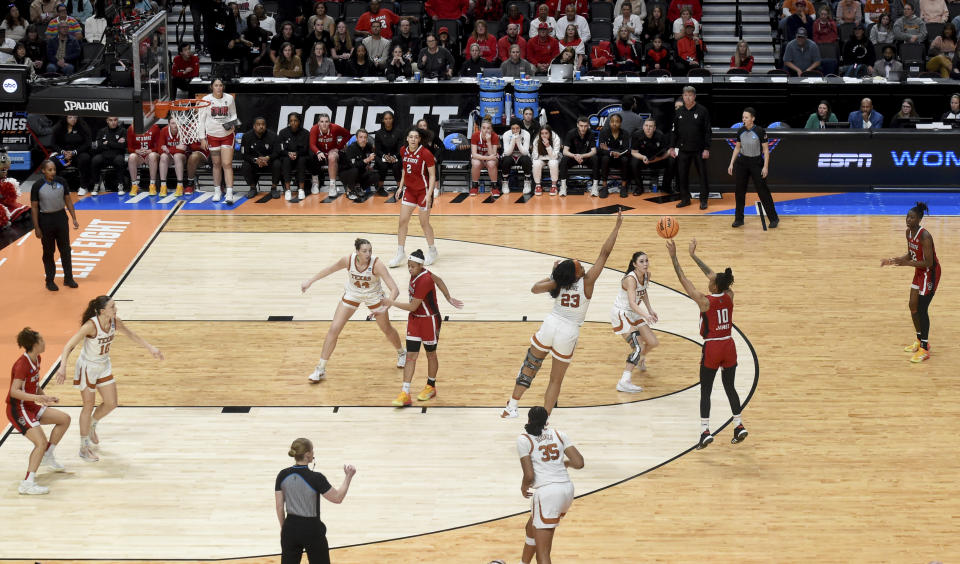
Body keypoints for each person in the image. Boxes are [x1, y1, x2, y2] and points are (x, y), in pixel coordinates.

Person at [502, 211, 622, 418]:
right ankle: (544, 422)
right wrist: (617, 227)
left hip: (550, 325)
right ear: (576, 274)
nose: (583, 265)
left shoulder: (558, 283)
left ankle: (512, 405)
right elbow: (604, 253)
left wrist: (552, 274)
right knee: (555, 380)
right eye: (579, 265)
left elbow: (534, 288)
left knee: (530, 365)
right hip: (568, 331)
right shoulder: (587, 281)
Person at [56, 296, 163, 462]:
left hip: (103, 365)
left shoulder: (115, 322)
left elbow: (132, 335)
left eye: (115, 306)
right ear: (102, 311)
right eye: (112, 307)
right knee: (88, 406)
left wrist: (151, 348)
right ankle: (84, 447)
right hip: (88, 367)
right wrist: (63, 367)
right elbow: (69, 346)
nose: (116, 309)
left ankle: (92, 424)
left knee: (111, 403)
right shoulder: (90, 326)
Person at [665, 238, 748, 449]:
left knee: (706, 390)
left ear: (714, 285)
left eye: (711, 281)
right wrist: (693, 255)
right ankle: (738, 425)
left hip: (713, 347)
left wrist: (674, 256)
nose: (708, 280)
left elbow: (683, 279)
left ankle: (705, 431)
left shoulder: (705, 301)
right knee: (730, 387)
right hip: (729, 345)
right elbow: (715, 277)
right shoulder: (729, 295)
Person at [301, 238, 405, 381]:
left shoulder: (377, 264)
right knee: (334, 329)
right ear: (357, 252)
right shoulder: (348, 260)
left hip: (373, 296)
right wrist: (310, 281)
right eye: (364, 251)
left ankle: (401, 352)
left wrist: (385, 307)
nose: (368, 254)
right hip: (353, 294)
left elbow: (395, 289)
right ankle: (320, 368)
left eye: (370, 250)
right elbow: (329, 270)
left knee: (386, 329)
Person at [384, 249, 463, 406]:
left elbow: (413, 306)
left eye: (413, 266)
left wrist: (391, 303)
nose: (410, 269)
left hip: (429, 320)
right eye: (409, 266)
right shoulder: (420, 273)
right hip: (415, 320)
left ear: (421, 265)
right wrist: (448, 297)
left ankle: (431, 386)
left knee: (431, 355)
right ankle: (405, 392)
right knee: (411, 356)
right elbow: (439, 280)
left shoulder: (424, 279)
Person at [6, 327, 71, 495]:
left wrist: (45, 397)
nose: (44, 342)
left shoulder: (37, 358)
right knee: (40, 443)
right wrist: (38, 398)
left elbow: (34, 385)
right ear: (34, 344)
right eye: (41, 340)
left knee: (64, 419)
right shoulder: (22, 364)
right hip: (18, 408)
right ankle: (27, 483)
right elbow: (14, 391)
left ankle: (48, 455)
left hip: (30, 405)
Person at [515, 406, 583, 564]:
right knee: (531, 526)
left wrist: (524, 487)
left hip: (548, 493)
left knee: (543, 553)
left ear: (529, 419)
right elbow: (579, 463)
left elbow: (529, 475)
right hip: (567, 490)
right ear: (547, 421)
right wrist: (565, 464)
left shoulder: (524, 439)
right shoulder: (559, 434)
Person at [276, 438, 356, 564]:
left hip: (290, 527)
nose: (313, 453)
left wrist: (284, 528)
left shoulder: (282, 475)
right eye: (312, 450)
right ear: (307, 454)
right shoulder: (316, 478)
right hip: (311, 529)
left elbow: (280, 507)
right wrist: (348, 477)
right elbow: (337, 498)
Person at [880, 202, 940, 363]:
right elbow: (910, 254)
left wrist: (907, 263)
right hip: (919, 271)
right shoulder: (908, 233)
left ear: (919, 219)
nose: (908, 220)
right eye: (907, 217)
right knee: (912, 306)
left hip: (930, 273)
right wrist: (892, 260)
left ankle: (925, 349)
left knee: (921, 309)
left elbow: (929, 263)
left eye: (912, 217)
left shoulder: (925, 236)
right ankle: (920, 341)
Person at [387, 129, 440, 268]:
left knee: (424, 223)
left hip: (424, 192)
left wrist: (429, 195)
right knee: (402, 222)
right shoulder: (403, 150)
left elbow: (433, 175)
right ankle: (400, 253)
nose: (413, 139)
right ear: (407, 138)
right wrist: (400, 187)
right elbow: (405, 169)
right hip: (410, 191)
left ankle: (433, 251)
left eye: (416, 137)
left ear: (419, 139)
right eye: (411, 137)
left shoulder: (426, 153)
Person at [609, 252, 658, 392]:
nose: (645, 264)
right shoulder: (630, 279)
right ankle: (624, 381)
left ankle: (640, 359)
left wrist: (650, 309)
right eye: (641, 261)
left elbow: (643, 292)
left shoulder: (647, 275)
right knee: (638, 347)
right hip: (622, 313)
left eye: (647, 261)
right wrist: (646, 315)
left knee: (653, 342)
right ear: (634, 264)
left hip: (634, 312)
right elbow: (631, 303)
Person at [30, 160, 79, 292]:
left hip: (61, 218)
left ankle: (68, 278)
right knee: (48, 252)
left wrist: (74, 218)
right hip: (46, 220)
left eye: (54, 170)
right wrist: (36, 227)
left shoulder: (62, 182)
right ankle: (50, 280)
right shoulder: (37, 186)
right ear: (43, 171)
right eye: (50, 170)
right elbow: (34, 208)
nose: (53, 172)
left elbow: (68, 200)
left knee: (66, 250)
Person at [727, 107, 779, 229]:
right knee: (739, 192)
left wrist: (765, 167)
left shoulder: (760, 131)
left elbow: (766, 151)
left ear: (752, 119)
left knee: (763, 191)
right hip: (742, 162)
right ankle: (739, 219)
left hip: (756, 162)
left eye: (746, 117)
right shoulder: (740, 131)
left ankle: (774, 218)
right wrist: (731, 163)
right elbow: (737, 148)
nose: (743, 119)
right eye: (743, 117)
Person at [198, 78, 240, 204]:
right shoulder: (205, 100)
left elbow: (234, 115)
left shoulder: (229, 98)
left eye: (221, 85)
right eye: (216, 85)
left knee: (227, 164)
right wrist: (202, 138)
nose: (218, 87)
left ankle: (229, 193)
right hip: (212, 136)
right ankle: (217, 191)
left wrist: (232, 124)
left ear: (223, 87)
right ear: (212, 87)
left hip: (227, 135)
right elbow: (201, 120)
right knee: (216, 164)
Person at [670, 86, 712, 209]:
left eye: (690, 95)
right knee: (682, 175)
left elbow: (707, 131)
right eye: (685, 95)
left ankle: (703, 200)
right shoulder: (679, 112)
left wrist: (707, 148)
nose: (687, 97)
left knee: (702, 176)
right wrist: (672, 147)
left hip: (699, 150)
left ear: (694, 96)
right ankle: (685, 199)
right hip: (683, 150)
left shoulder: (702, 110)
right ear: (682, 96)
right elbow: (674, 131)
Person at [240, 117, 282, 199]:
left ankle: (274, 188)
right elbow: (244, 155)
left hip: (269, 161)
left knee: (277, 163)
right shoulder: (246, 136)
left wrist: (267, 158)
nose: (261, 126)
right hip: (254, 162)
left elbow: (277, 152)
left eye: (263, 124)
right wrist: (255, 160)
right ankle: (252, 188)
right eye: (258, 124)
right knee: (245, 165)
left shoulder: (273, 136)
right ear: (254, 126)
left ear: (265, 126)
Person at [309, 113, 350, 196]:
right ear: (318, 123)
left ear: (329, 123)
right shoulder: (314, 129)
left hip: (332, 152)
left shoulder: (334, 128)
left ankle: (332, 186)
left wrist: (338, 148)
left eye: (326, 121)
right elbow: (312, 144)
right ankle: (315, 183)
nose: (324, 124)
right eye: (322, 121)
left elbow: (347, 135)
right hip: (320, 153)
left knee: (332, 156)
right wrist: (318, 152)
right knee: (312, 157)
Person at [631, 117, 674, 196]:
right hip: (643, 160)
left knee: (671, 160)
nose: (648, 128)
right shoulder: (637, 135)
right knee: (634, 162)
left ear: (654, 128)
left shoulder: (660, 135)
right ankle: (639, 188)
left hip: (656, 159)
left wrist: (657, 159)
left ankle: (666, 187)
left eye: (650, 126)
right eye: (646, 125)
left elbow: (667, 152)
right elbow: (634, 152)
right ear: (643, 126)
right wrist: (643, 157)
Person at [52, 115, 92, 195]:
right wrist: (63, 152)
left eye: (75, 117)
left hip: (78, 153)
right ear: (65, 118)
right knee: (52, 162)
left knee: (85, 158)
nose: (73, 119)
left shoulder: (82, 126)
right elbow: (53, 144)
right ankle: (56, 186)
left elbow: (87, 143)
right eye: (70, 117)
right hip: (63, 154)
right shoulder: (58, 127)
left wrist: (74, 152)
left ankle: (83, 187)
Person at [560, 116, 599, 197]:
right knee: (564, 159)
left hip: (585, 157)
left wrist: (582, 156)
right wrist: (574, 156)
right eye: (581, 126)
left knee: (595, 158)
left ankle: (595, 186)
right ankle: (563, 186)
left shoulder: (590, 133)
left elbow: (594, 151)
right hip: (573, 157)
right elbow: (565, 151)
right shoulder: (571, 133)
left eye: (585, 126)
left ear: (588, 125)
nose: (583, 128)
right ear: (577, 125)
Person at [90, 116, 128, 195]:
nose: (113, 122)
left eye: (115, 120)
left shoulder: (123, 131)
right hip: (104, 154)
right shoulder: (102, 131)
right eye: (111, 120)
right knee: (95, 160)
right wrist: (115, 143)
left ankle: (120, 185)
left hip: (117, 154)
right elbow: (99, 145)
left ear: (117, 120)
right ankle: (96, 184)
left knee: (120, 161)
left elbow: (123, 146)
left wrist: (108, 143)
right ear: (107, 121)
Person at [278, 112, 311, 202]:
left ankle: (301, 189)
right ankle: (288, 190)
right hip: (287, 156)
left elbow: (306, 149)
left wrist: (296, 154)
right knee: (285, 160)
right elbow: (280, 149)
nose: (293, 123)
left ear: (299, 121)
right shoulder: (283, 132)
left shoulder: (305, 133)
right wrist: (288, 153)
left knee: (301, 160)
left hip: (300, 156)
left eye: (295, 120)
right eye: (291, 121)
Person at [339, 129, 380, 200]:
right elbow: (352, 165)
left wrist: (369, 165)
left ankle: (358, 188)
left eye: (365, 137)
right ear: (356, 138)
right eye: (361, 137)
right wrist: (366, 160)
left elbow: (370, 158)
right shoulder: (351, 148)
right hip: (346, 173)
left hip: (360, 172)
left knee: (375, 175)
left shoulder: (368, 146)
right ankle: (350, 190)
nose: (363, 139)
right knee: (355, 170)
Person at [599, 113, 631, 198]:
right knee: (604, 158)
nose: (614, 123)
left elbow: (627, 150)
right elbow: (601, 149)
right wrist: (611, 152)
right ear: (609, 122)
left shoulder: (625, 133)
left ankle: (623, 187)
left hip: (620, 158)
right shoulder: (604, 132)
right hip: (609, 158)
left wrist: (614, 151)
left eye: (617, 121)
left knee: (625, 159)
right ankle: (604, 187)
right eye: (612, 121)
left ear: (620, 123)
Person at [156, 120, 190, 197]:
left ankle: (180, 185)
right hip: (169, 156)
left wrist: (169, 149)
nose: (175, 125)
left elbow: (183, 149)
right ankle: (163, 186)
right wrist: (176, 147)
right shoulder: (164, 130)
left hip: (182, 157)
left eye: (177, 123)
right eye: (173, 123)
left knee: (177, 155)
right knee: (163, 156)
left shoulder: (183, 130)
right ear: (169, 124)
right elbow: (160, 149)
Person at [126, 122, 160, 196]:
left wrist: (151, 150)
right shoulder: (131, 128)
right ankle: (134, 185)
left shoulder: (155, 127)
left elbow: (159, 146)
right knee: (131, 157)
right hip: (139, 155)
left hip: (150, 154)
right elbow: (129, 148)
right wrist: (136, 151)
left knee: (152, 155)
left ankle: (152, 185)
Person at [501, 118, 533, 194]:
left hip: (521, 155)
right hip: (510, 155)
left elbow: (525, 152)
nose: (515, 130)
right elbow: (507, 152)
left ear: (520, 127)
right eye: (513, 128)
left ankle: (527, 181)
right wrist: (513, 141)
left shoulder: (526, 134)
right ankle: (505, 182)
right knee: (506, 159)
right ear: (510, 128)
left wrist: (518, 142)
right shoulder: (506, 134)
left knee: (526, 159)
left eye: (517, 128)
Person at [470, 118, 501, 196]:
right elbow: (474, 154)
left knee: (491, 163)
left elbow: (492, 154)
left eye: (488, 128)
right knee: (475, 163)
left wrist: (488, 141)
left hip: (491, 159)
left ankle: (494, 187)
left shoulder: (495, 136)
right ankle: (474, 186)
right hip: (480, 159)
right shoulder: (475, 136)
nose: (486, 130)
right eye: (483, 128)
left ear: (491, 129)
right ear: (480, 129)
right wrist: (487, 158)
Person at [374, 111, 403, 195]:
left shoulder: (399, 132)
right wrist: (384, 156)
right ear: (383, 120)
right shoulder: (379, 133)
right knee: (382, 164)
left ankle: (400, 188)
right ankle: (380, 188)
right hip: (382, 156)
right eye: (386, 119)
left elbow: (401, 148)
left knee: (396, 165)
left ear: (393, 119)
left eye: (390, 118)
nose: (388, 120)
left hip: (396, 156)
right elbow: (377, 150)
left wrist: (394, 156)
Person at [531, 125, 562, 196]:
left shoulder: (556, 138)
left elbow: (554, 156)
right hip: (540, 158)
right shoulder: (537, 140)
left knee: (553, 163)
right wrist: (543, 157)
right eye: (542, 133)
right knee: (536, 164)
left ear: (550, 133)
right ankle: (538, 186)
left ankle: (554, 186)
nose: (544, 135)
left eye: (546, 133)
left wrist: (548, 146)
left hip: (553, 157)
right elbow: (535, 156)